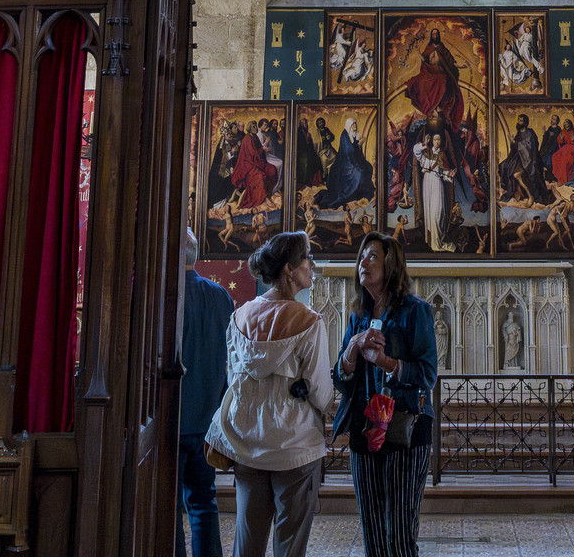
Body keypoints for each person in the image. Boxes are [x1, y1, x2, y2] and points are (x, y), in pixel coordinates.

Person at [205, 230, 333, 557]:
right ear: (289, 269)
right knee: (290, 545)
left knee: (247, 541)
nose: (312, 264)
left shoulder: (240, 315)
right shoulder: (309, 321)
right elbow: (320, 392)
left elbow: (234, 378)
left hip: (247, 441)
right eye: (307, 258)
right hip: (295, 444)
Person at [333, 235, 438, 557]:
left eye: (372, 257)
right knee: (374, 535)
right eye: (362, 257)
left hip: (404, 429)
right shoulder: (358, 316)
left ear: (390, 265)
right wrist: (351, 350)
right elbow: (341, 380)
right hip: (365, 429)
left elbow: (427, 375)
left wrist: (385, 362)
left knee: (400, 536)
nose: (363, 263)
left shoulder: (415, 311)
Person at [178, 228, 233, 557]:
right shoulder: (220, 295)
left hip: (169, 420)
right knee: (203, 503)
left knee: (167, 507)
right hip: (207, 419)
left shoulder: (164, 294)